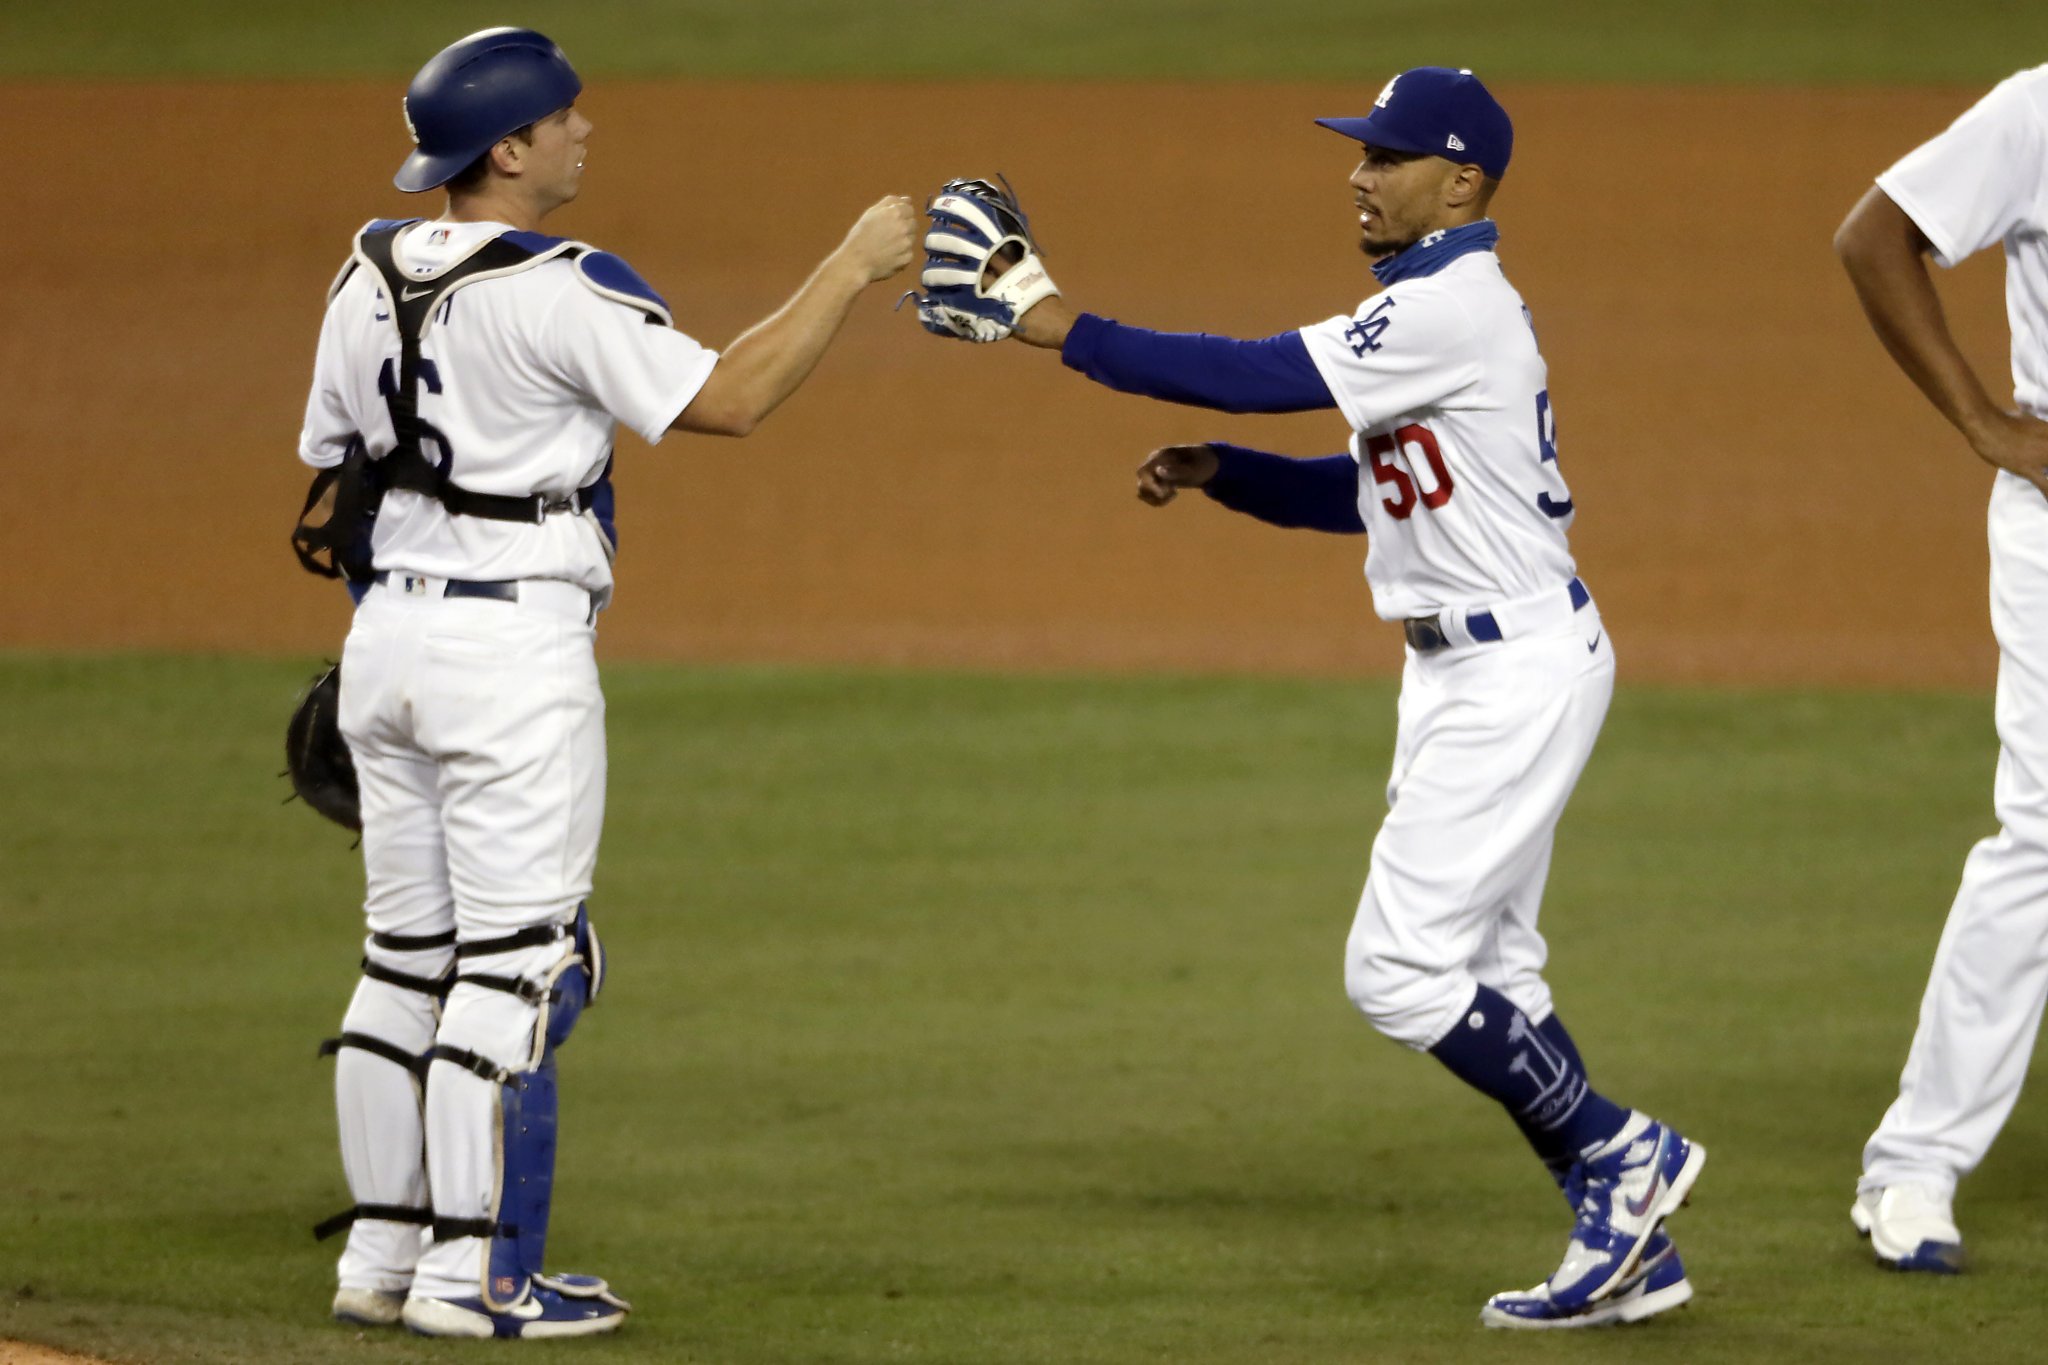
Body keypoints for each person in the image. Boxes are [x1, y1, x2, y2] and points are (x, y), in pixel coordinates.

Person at [912, 67, 1702, 1328]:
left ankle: (1622, 1154)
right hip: (1470, 670)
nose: (1357, 172)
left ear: (1461, 182)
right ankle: (1627, 1244)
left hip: (1511, 674)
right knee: (1495, 968)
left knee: (1395, 970)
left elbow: (1249, 368)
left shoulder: (1455, 308)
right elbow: (1367, 497)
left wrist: (1048, 319)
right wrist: (1226, 477)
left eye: (1387, 157)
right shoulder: (1429, 317)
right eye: (1359, 151)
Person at [295, 27, 916, 1338]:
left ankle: (380, 1262)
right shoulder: (558, 286)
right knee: (515, 968)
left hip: (386, 642)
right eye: (565, 118)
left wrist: (384, 644)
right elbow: (731, 400)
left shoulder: (361, 274)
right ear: (508, 149)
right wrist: (851, 266)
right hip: (507, 660)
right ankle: (474, 1281)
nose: (587, 131)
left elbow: (344, 477)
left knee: (404, 958)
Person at [1834, 65, 2048, 1275]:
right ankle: (1912, 1163)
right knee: (2040, 837)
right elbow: (1873, 238)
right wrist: (1984, 420)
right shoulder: (2033, 111)